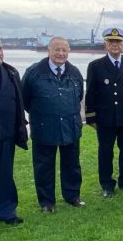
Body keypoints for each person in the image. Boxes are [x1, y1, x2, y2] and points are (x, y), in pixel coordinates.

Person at [22, 37, 84, 212]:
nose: (60, 53)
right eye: (57, 49)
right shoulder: (34, 72)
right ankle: (47, 202)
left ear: (68, 51)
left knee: (72, 164)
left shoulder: (75, 73)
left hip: (70, 126)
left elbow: (78, 97)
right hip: (44, 126)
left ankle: (73, 196)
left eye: (64, 50)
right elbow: (25, 99)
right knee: (44, 166)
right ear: (48, 50)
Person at [85, 27, 123, 198]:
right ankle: (107, 184)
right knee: (106, 151)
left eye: (118, 42)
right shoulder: (96, 66)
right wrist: (91, 116)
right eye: (111, 42)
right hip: (105, 117)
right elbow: (91, 92)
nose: (115, 45)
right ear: (105, 44)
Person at [0, 35, 27, 225]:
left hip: (4, 133)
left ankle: (6, 212)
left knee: (5, 174)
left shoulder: (11, 73)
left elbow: (19, 101)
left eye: (0, 48)